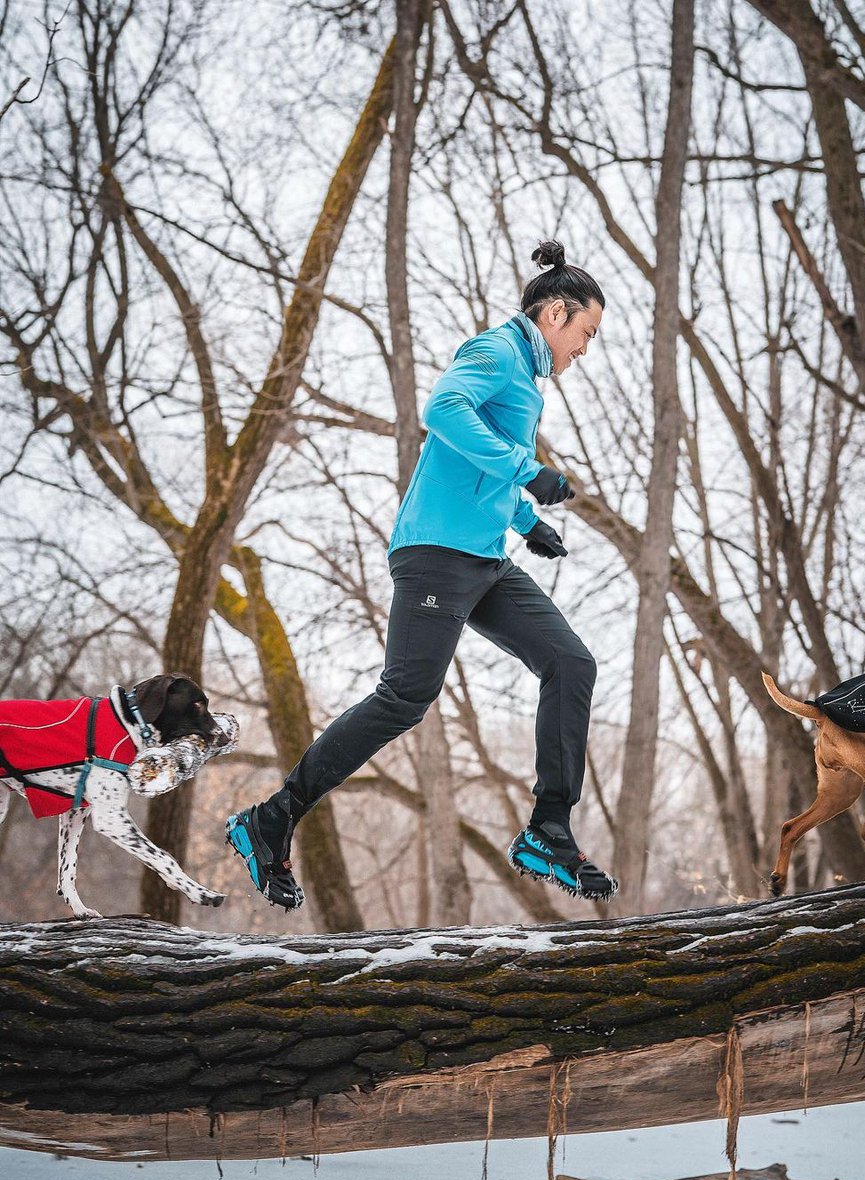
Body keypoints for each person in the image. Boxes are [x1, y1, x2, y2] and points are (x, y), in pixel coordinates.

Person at [225, 239, 618, 909]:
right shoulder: (495, 351)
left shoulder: (523, 376)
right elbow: (442, 413)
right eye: (584, 332)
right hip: (436, 553)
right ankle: (273, 815)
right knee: (406, 696)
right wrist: (529, 473)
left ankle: (549, 828)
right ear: (554, 313)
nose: (584, 349)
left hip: (484, 559)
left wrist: (526, 521)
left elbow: (476, 461)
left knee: (570, 663)